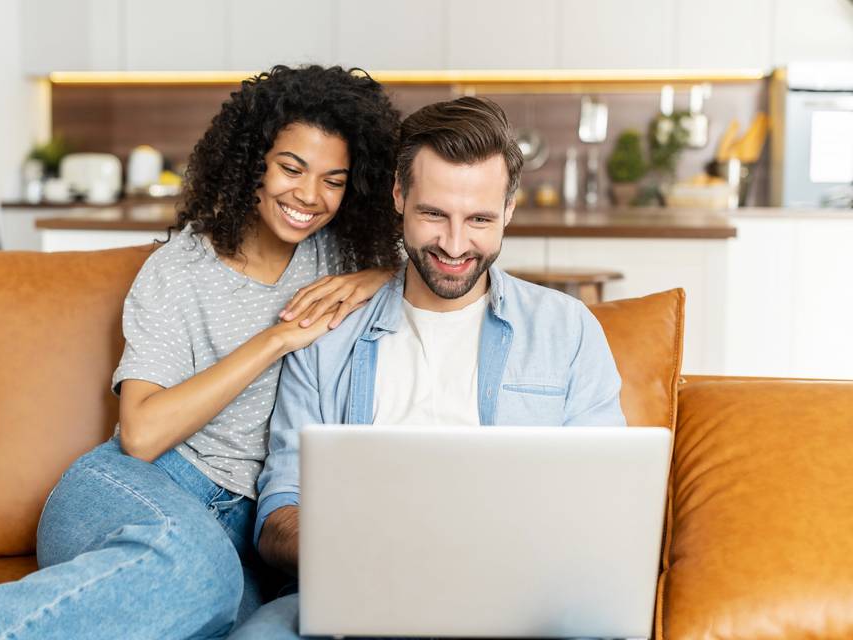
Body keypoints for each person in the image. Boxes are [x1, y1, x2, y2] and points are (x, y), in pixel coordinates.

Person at [0, 65, 403, 640]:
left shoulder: (339, 260)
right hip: (137, 487)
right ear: (253, 163)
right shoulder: (179, 269)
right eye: (291, 168)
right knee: (200, 573)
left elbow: (442, 266)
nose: (309, 196)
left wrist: (378, 276)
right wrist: (275, 338)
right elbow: (140, 433)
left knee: (251, 616)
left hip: (252, 529)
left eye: (333, 180)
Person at [228, 96, 626, 638]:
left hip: (515, 601)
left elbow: (602, 507)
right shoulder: (326, 334)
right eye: (434, 214)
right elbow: (279, 515)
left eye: (480, 219)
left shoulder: (567, 330)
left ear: (509, 209)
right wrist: (356, 551)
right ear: (399, 194)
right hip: (359, 595)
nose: (455, 246)